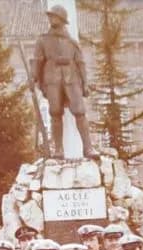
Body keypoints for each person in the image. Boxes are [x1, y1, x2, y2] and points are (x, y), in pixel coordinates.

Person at [32, 4, 99, 160]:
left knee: (80, 112)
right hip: (52, 79)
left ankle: (88, 148)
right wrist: (33, 77)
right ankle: (59, 150)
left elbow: (80, 62)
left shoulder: (72, 42)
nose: (50, 18)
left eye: (53, 16)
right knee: (55, 112)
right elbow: (38, 60)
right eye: (50, 16)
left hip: (72, 78)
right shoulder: (43, 40)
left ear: (61, 19)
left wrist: (85, 83)